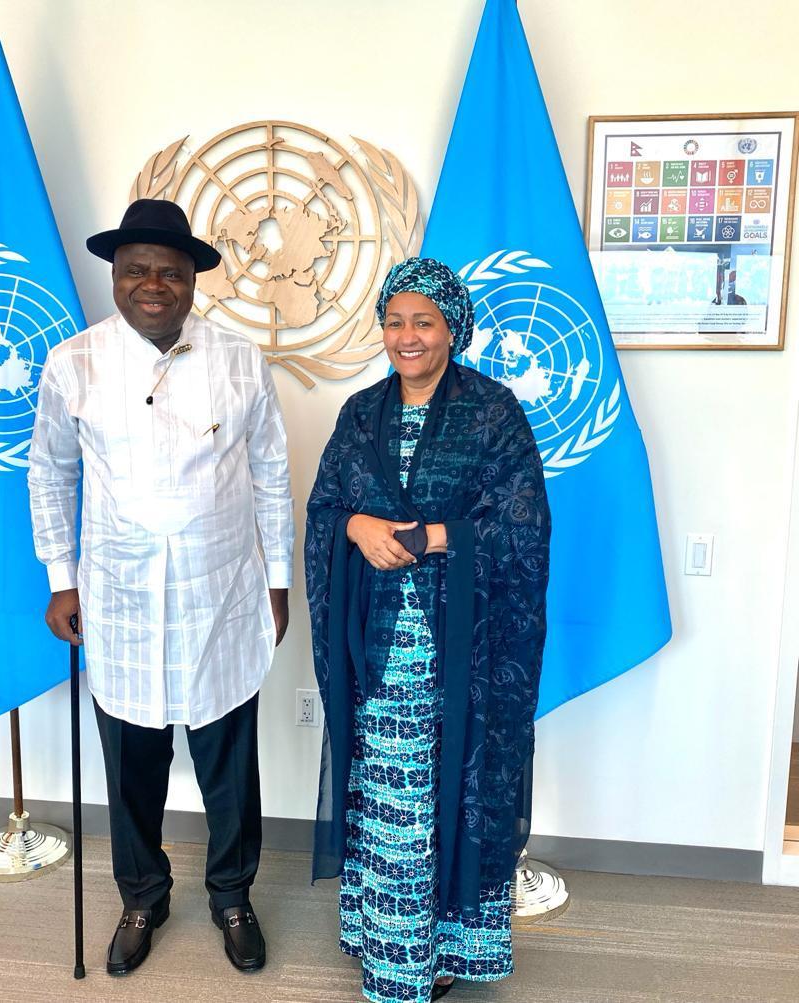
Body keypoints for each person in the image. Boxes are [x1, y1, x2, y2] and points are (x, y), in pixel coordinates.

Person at [28, 198, 293, 977]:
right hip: (120, 600)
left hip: (223, 594)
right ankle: (143, 895)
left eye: (170, 272)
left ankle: (233, 895)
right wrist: (59, 579)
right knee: (132, 764)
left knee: (228, 763)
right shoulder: (71, 362)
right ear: (115, 275)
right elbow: (50, 472)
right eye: (137, 269)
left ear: (193, 282)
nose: (154, 284)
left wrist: (277, 579)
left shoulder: (241, 360)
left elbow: (274, 474)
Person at [305, 257, 550, 1003]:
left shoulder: (493, 411)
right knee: (393, 799)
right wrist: (356, 523)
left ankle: (445, 948)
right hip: (380, 651)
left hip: (466, 653)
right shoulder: (360, 413)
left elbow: (523, 523)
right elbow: (323, 508)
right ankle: (391, 942)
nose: (407, 336)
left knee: (455, 792)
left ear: (453, 329)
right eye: (395, 320)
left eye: (424, 321)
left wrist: (435, 536)